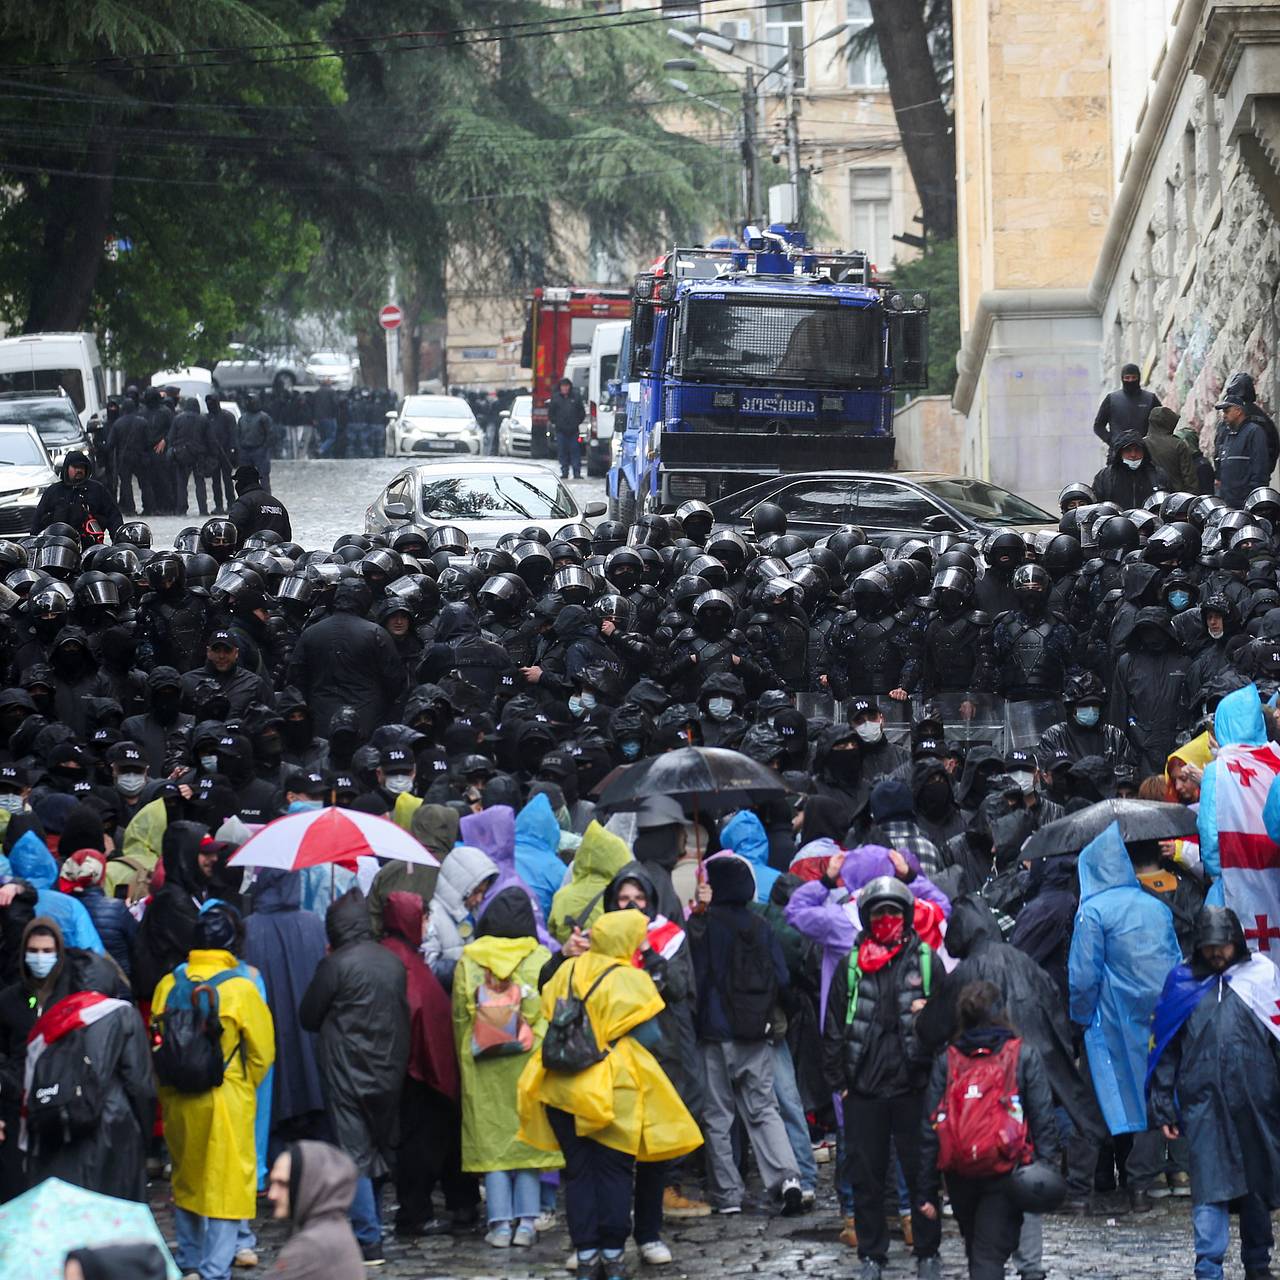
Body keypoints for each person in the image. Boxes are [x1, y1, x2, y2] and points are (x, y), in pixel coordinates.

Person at [519, 907, 703, 1280]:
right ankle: (613, 1255)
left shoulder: (568, 968)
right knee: (615, 1173)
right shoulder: (630, 979)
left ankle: (586, 1254)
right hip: (611, 1088)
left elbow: (548, 1005)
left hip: (561, 1085)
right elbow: (649, 1034)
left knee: (580, 1173)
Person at [822, 874, 948, 1280]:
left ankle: (928, 1250)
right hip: (864, 1090)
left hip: (915, 1087)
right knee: (866, 1177)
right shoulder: (851, 967)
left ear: (907, 917)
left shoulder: (927, 963)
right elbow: (834, 1029)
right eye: (879, 914)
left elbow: (947, 1026)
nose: (887, 920)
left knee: (923, 1174)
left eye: (894, 913)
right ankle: (872, 1254)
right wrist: (840, 1082)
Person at [1148, 906, 1280, 1280]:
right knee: (1209, 1187)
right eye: (1209, 947)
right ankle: (1209, 1267)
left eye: (1222, 946)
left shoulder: (1263, 977)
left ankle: (1258, 1263)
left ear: (1236, 942)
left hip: (1256, 1100)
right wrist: (1164, 1107)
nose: (1216, 954)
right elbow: (1166, 1049)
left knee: (1256, 1185)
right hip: (1202, 1102)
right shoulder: (1182, 983)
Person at [151, 909, 275, 1280]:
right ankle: (213, 1270)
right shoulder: (241, 989)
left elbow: (156, 1041)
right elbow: (262, 1052)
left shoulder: (167, 985)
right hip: (227, 1099)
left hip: (177, 1099)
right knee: (226, 1186)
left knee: (186, 1181)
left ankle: (189, 1260)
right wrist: (242, 1084)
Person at [1068, 820, 1181, 1213]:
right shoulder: (1155, 906)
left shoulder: (1093, 912)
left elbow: (1083, 977)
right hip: (1156, 1018)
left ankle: (1081, 1187)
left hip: (1108, 1018)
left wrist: (1078, 1021)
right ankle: (1141, 1185)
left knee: (1095, 1096)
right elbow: (1173, 961)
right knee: (1149, 1096)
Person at [686, 851, 804, 1217]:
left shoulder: (706, 927)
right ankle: (787, 1177)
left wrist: (698, 917)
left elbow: (696, 977)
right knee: (764, 1108)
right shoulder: (761, 926)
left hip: (715, 1034)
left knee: (718, 1116)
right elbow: (783, 979)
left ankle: (728, 1195)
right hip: (756, 1030)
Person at [918, 980, 1060, 1280]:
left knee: (977, 1249)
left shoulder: (948, 1059)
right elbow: (1042, 1116)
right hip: (1007, 1171)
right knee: (986, 1256)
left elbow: (930, 1126)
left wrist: (926, 1189)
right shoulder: (1021, 1054)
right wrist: (1045, 1170)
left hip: (959, 1174)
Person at [299, 888, 409, 1266]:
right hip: (388, 1066)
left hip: (345, 1069)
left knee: (353, 1152)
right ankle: (372, 1221)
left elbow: (308, 1016)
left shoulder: (335, 966)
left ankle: (368, 1238)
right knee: (377, 1144)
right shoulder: (393, 962)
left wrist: (324, 969)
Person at [452, 886, 558, 1249]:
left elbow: (459, 1019)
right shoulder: (540, 957)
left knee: (493, 1145)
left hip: (483, 1070)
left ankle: (499, 1224)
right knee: (527, 1144)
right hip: (528, 1068)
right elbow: (549, 1013)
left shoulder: (469, 961)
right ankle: (527, 1223)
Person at [380, 890, 477, 1238]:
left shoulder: (400, 956)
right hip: (420, 1069)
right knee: (423, 1141)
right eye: (422, 918)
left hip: (414, 1066)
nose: (428, 924)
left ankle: (449, 1204)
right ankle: (418, 1211)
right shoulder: (405, 964)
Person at [264, 1141, 365, 1280]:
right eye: (272, 1183)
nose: (272, 1194)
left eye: (283, 1184)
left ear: (310, 1186)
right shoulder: (333, 1229)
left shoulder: (310, 1246)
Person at [30, 451, 124, 543]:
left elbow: (113, 516)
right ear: (67, 468)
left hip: (90, 546)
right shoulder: (54, 491)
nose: (79, 470)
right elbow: (37, 520)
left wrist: (119, 541)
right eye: (75, 467)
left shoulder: (97, 490)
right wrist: (34, 544)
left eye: (82, 467)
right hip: (57, 545)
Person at [1215, 394, 1272, 506]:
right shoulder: (1228, 435)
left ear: (1238, 411)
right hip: (1228, 503)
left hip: (1245, 503)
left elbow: (1260, 469)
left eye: (1227, 411)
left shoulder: (1254, 432)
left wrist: (1254, 500)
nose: (1224, 416)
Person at [1092, 362, 1159, 446]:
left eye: (1133, 377)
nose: (1130, 380)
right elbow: (1098, 426)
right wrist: (1111, 441)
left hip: (1146, 451)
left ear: (1138, 378)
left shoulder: (1151, 399)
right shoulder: (1111, 399)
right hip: (1118, 453)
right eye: (1127, 378)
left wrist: (1153, 441)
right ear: (1122, 378)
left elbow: (1163, 422)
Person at [227, 465, 293, 542]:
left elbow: (232, 529)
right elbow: (287, 535)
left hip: (250, 552)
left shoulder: (243, 502)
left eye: (236, 481)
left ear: (240, 482)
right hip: (276, 552)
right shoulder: (277, 504)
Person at [1143, 405, 1198, 492]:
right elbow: (1189, 478)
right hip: (1176, 496)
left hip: (1150, 496)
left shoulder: (1142, 444)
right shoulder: (1178, 444)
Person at [548, 377, 585, 479]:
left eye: (566, 386)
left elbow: (581, 412)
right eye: (563, 386)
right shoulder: (556, 398)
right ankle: (565, 471)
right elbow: (551, 413)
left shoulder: (576, 397)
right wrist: (556, 423)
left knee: (575, 451)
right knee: (562, 451)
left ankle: (576, 472)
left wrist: (576, 422)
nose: (565, 388)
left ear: (569, 387)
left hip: (573, 430)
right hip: (561, 430)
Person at [237, 394, 274, 491]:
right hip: (245, 451)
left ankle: (266, 499)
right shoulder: (243, 418)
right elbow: (239, 433)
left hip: (259, 450)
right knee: (246, 478)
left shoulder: (264, 417)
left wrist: (264, 448)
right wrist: (240, 448)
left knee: (263, 477)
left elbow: (270, 434)